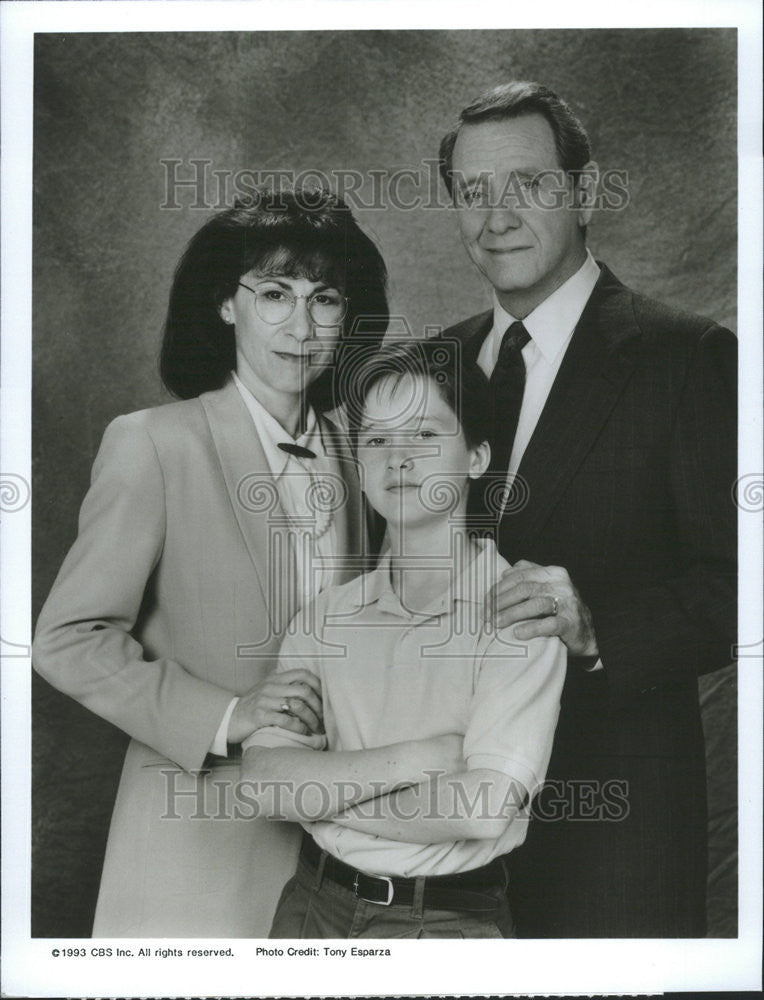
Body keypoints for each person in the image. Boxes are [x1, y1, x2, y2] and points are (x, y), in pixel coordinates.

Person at [33, 188, 454, 937]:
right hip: (193, 847)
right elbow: (66, 640)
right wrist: (228, 716)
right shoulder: (153, 444)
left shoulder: (363, 452)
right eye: (274, 293)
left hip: (339, 853)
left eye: (325, 299)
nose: (302, 326)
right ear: (226, 304)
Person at [436, 80, 737, 937]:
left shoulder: (688, 357)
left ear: (586, 191)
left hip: (614, 837)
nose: (497, 216)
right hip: (442, 840)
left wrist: (599, 626)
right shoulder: (432, 366)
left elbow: (743, 586)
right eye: (473, 191)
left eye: (527, 183)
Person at [241, 340, 567, 939]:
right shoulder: (324, 617)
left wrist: (318, 795)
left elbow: (481, 808)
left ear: (476, 457)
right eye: (377, 440)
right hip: (310, 907)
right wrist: (420, 760)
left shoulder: (520, 615)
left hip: (442, 922)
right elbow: (264, 783)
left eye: (424, 435)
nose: (398, 460)